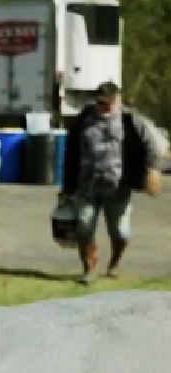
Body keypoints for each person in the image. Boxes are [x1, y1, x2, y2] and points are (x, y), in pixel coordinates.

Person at [60, 80, 162, 284]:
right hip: (87, 186)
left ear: (118, 100)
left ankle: (115, 262)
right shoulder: (83, 120)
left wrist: (152, 171)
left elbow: (151, 146)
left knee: (120, 232)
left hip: (118, 187)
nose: (105, 107)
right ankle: (89, 269)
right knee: (84, 229)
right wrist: (67, 187)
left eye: (109, 103)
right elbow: (71, 154)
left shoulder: (130, 119)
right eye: (101, 103)